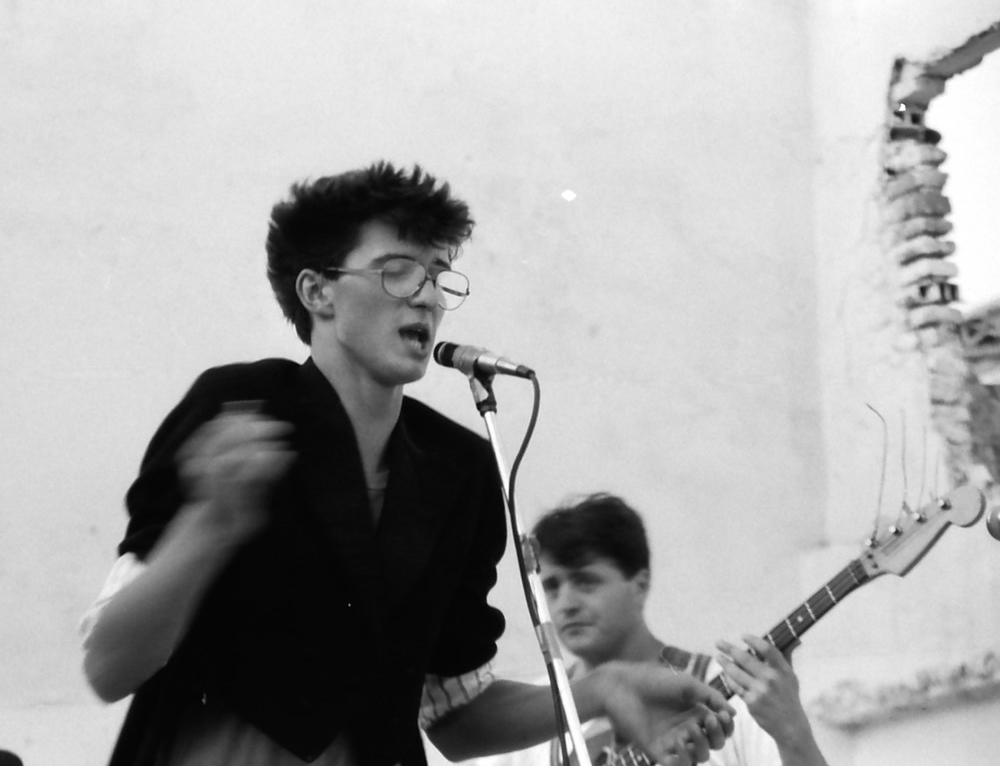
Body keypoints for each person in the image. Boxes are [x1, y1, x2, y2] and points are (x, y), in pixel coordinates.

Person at [80, 162, 735, 766]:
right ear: (317, 291)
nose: (426, 297)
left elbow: (457, 716)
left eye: (437, 274)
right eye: (397, 271)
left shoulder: (461, 468)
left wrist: (604, 688)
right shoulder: (242, 407)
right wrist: (210, 524)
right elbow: (110, 666)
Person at [475, 493, 830, 766]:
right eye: (551, 586)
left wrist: (792, 730)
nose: (565, 602)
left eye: (586, 582)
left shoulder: (730, 688)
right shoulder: (534, 713)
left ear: (640, 583)